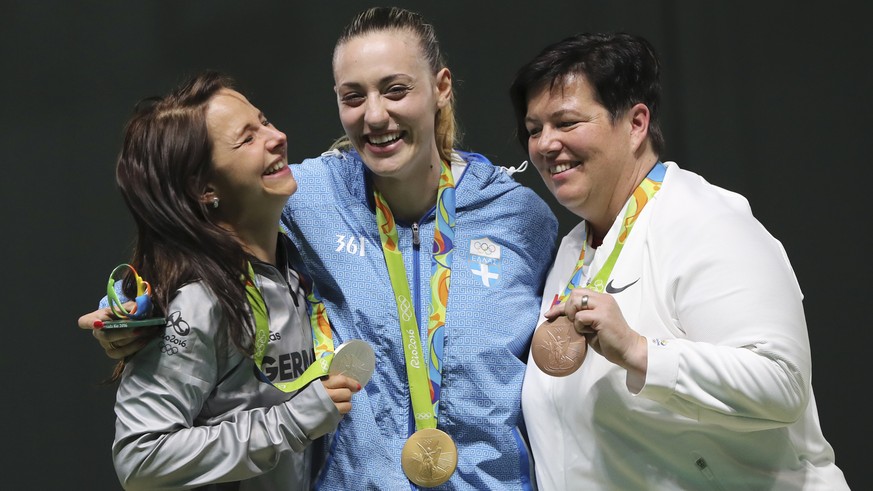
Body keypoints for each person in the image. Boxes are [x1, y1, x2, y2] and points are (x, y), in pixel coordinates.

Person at [82, 7, 557, 489]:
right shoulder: (307, 196)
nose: (375, 115)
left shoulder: (520, 217)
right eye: (354, 96)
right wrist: (134, 315)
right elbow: (199, 239)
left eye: (395, 90)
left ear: (441, 87)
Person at [511, 32, 849, 489]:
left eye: (566, 122)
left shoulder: (705, 220)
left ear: (636, 124)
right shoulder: (572, 249)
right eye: (534, 130)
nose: (546, 145)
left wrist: (638, 350)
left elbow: (781, 382)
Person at [92, 71, 362, 490]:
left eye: (265, 121)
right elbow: (140, 457)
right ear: (205, 189)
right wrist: (292, 420)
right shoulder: (196, 301)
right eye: (247, 138)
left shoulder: (296, 268)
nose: (277, 137)